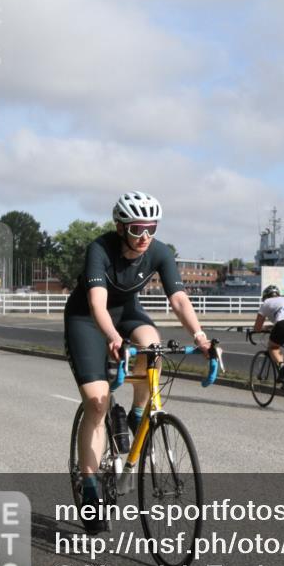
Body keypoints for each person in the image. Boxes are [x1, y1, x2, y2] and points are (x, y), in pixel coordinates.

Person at [64, 191, 211, 533]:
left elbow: (178, 298)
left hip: (128, 313)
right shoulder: (100, 249)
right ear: (120, 227)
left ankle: (139, 412)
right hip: (87, 318)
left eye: (151, 229)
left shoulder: (160, 252)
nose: (144, 237)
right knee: (97, 404)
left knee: (154, 346)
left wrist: (200, 336)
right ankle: (89, 487)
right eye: (136, 230)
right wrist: (114, 339)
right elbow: (98, 305)